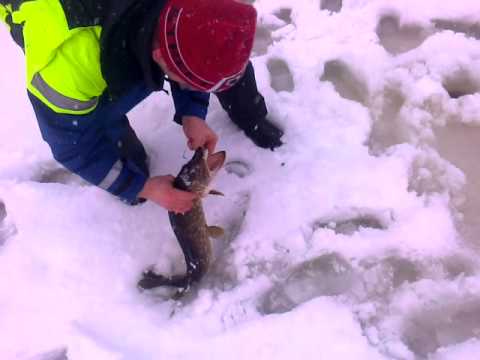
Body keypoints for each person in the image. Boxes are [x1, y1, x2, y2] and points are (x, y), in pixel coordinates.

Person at [0, 0, 284, 213]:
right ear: (160, 55)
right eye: (188, 80)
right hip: (52, 17)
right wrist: (142, 187)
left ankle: (250, 116)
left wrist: (192, 112)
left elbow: (193, 50)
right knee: (101, 121)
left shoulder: (196, 10)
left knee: (215, 45)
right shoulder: (69, 69)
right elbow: (73, 146)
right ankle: (130, 171)